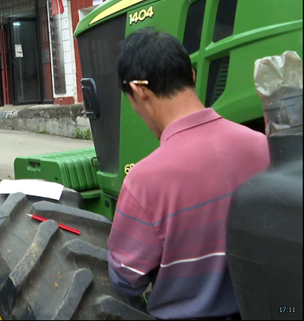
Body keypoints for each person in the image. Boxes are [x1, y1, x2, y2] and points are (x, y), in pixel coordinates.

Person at [107, 28, 270, 320]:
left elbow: (126, 280)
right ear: (192, 76)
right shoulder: (263, 146)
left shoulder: (143, 181)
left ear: (139, 90)